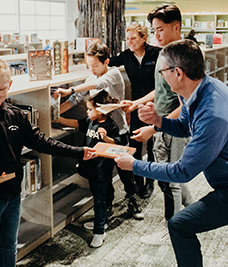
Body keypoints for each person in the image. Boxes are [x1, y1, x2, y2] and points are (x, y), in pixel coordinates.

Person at [0, 57, 96, 267]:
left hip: (12, 195)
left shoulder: (16, 115)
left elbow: (42, 142)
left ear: (9, 86)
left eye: (0, 88)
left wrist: (78, 151)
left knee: (8, 249)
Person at [115, 39, 228, 267]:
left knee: (179, 224)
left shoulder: (212, 111)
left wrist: (134, 165)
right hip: (223, 179)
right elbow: (185, 126)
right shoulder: (197, 89)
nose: (161, 76)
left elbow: (183, 171)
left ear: (177, 73)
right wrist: (159, 122)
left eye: (162, 71)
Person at [126, 4, 194, 246]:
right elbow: (161, 89)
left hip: (172, 126)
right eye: (154, 30)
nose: (156, 35)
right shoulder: (165, 53)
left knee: (171, 181)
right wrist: (137, 102)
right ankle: (193, 212)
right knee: (169, 180)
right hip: (162, 124)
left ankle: (173, 230)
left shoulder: (184, 57)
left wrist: (155, 127)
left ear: (176, 27)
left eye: (161, 29)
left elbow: (185, 103)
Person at [53, 42, 144, 222]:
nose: (92, 69)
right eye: (89, 66)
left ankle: (132, 199)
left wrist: (71, 88)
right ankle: (107, 205)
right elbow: (75, 99)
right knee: (104, 174)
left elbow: (99, 83)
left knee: (125, 170)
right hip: (99, 134)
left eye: (95, 65)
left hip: (118, 131)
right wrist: (54, 114)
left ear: (106, 61)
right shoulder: (90, 80)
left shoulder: (114, 73)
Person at [54, 90, 131, 248]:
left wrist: (106, 138)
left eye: (90, 109)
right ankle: (103, 220)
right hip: (91, 168)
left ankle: (99, 231)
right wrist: (59, 119)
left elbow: (117, 145)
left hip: (102, 169)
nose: (87, 112)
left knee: (99, 200)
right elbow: (77, 123)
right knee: (101, 195)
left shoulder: (110, 125)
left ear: (101, 110)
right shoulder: (90, 121)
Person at [109, 23, 162, 199]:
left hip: (156, 106)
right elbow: (108, 61)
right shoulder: (126, 56)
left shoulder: (157, 54)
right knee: (136, 145)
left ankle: (151, 181)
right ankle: (138, 182)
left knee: (154, 146)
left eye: (134, 38)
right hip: (136, 107)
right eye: (128, 38)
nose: (130, 42)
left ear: (144, 38)